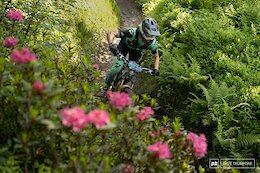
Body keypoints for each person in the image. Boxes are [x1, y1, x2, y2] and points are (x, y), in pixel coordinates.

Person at [103, 17, 161, 91]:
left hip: (136, 51)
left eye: (151, 36)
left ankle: (121, 88)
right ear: (141, 32)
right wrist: (111, 44)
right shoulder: (132, 32)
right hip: (124, 46)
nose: (148, 39)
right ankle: (105, 88)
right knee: (117, 67)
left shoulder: (152, 43)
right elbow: (112, 33)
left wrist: (156, 69)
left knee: (131, 73)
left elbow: (156, 56)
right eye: (147, 36)